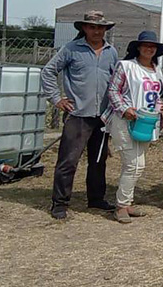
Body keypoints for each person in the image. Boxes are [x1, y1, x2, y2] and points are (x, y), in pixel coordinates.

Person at [42, 11, 119, 220]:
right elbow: (48, 71)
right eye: (92, 27)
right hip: (78, 114)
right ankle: (60, 202)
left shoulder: (111, 52)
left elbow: (116, 79)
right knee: (69, 160)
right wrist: (56, 98)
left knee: (98, 160)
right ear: (84, 28)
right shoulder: (71, 49)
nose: (97, 31)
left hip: (102, 116)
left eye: (101, 27)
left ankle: (96, 198)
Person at [104, 31, 163, 224]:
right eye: (146, 45)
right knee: (133, 164)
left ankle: (127, 202)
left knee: (137, 164)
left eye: (153, 46)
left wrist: (161, 104)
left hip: (146, 122)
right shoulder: (126, 66)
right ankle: (121, 206)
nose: (149, 49)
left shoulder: (158, 71)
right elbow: (113, 90)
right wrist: (124, 109)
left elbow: (159, 95)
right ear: (138, 47)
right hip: (125, 121)